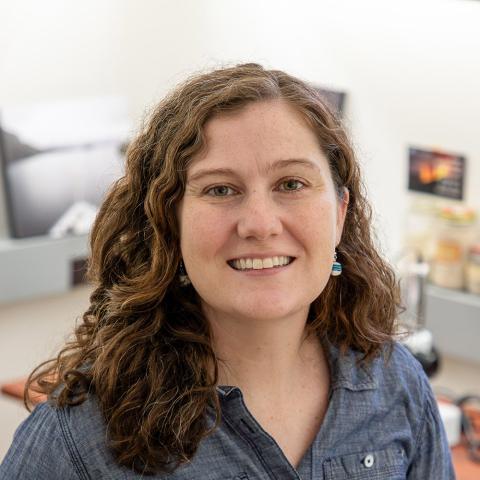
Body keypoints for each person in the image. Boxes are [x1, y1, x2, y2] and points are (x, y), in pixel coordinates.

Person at [0, 63, 454, 479]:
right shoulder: (77, 441)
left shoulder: (397, 388)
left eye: (291, 184)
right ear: (168, 223)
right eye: (220, 189)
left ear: (339, 212)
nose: (259, 223)